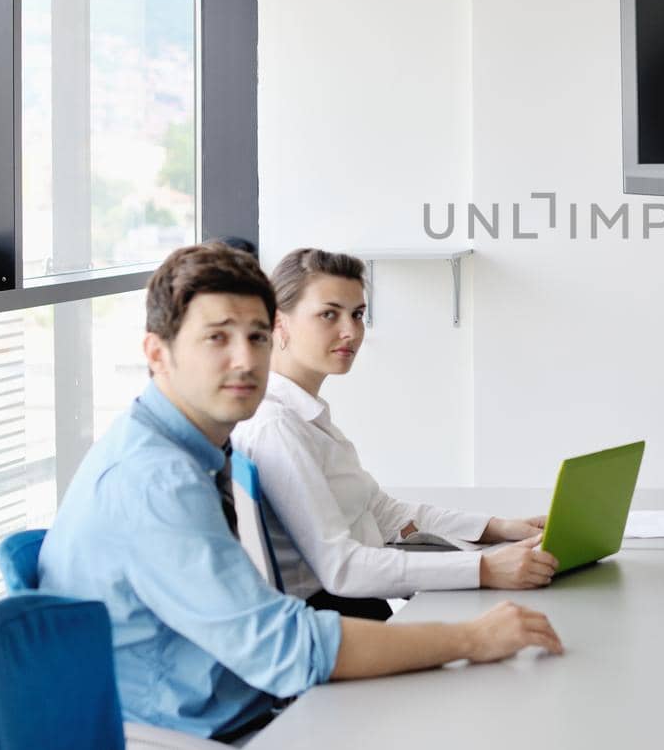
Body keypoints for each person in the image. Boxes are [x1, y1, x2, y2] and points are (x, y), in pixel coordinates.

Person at [37, 243, 561, 742]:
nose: (246, 361)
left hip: (236, 691)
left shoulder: (184, 447)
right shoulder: (157, 482)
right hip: (204, 726)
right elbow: (283, 649)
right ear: (157, 352)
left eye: (257, 336)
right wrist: (472, 638)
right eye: (217, 338)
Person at [232, 248, 556, 619]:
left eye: (357, 314)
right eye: (328, 314)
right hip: (334, 619)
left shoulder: (304, 412)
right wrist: (484, 570)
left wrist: (500, 528)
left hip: (359, 603)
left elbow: (381, 510)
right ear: (278, 323)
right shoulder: (277, 426)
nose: (350, 331)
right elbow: (341, 568)